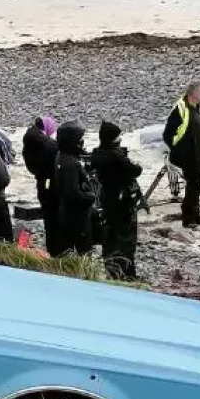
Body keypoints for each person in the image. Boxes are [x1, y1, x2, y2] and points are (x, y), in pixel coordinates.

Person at [89, 120, 143, 280]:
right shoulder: (117, 156)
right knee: (126, 238)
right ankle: (127, 272)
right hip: (122, 200)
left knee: (110, 235)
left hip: (106, 198)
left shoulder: (97, 154)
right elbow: (136, 170)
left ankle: (111, 268)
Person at [163, 81, 200, 228]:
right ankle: (188, 218)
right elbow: (168, 134)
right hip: (189, 156)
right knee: (192, 186)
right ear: (193, 93)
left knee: (196, 185)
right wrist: (179, 149)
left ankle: (195, 214)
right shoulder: (181, 108)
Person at [52, 120, 96, 256]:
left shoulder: (61, 156)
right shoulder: (71, 164)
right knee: (84, 251)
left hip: (66, 212)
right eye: (80, 139)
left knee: (67, 249)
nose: (82, 142)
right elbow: (73, 192)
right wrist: (90, 197)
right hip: (76, 216)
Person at [21, 115, 59, 247]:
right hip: (51, 184)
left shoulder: (29, 143)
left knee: (48, 219)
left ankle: (51, 246)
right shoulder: (50, 145)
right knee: (55, 219)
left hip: (41, 182)